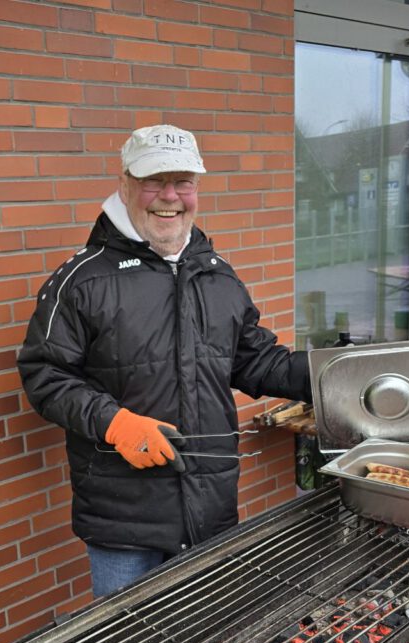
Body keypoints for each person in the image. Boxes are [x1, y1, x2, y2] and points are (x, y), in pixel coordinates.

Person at [17, 125, 311, 599]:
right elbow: (45, 375)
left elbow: (255, 362)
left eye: (184, 182)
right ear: (126, 183)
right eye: (155, 181)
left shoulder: (217, 276)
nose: (170, 197)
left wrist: (332, 377)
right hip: (123, 521)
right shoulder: (81, 280)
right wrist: (116, 423)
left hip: (210, 508)